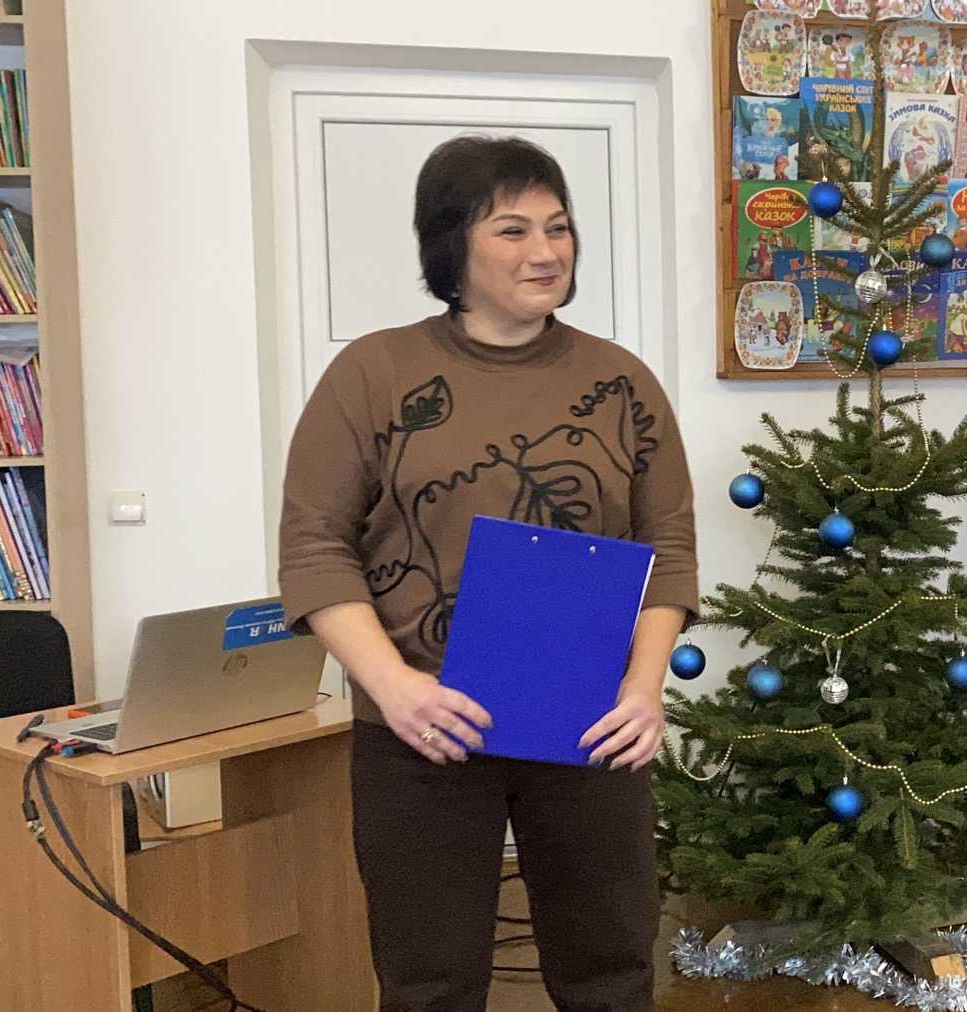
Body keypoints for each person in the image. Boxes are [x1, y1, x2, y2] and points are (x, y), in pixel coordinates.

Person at [278, 134, 697, 1012]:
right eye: (513, 230)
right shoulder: (373, 372)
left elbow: (668, 550)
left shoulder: (623, 384)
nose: (546, 251)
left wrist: (644, 689)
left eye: (558, 227)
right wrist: (394, 688)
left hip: (591, 725)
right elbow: (315, 548)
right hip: (423, 730)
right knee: (429, 983)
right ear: (452, 248)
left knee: (612, 972)